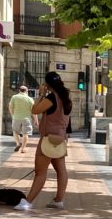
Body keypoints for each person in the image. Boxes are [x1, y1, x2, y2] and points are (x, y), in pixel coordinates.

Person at [15, 72, 73, 211]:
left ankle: (27, 202)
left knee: (40, 172)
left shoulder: (52, 98)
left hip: (48, 139)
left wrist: (41, 94)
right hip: (60, 138)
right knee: (61, 170)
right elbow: (68, 121)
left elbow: (34, 109)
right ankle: (58, 200)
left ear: (47, 84)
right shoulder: (66, 98)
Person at [7, 85, 37, 153]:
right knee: (25, 134)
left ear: (19, 90)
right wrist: (36, 120)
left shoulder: (14, 97)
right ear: (27, 91)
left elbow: (10, 107)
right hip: (26, 119)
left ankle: (18, 144)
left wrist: (12, 115)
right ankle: (23, 149)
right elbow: (33, 111)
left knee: (15, 131)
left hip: (16, 117)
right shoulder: (30, 99)